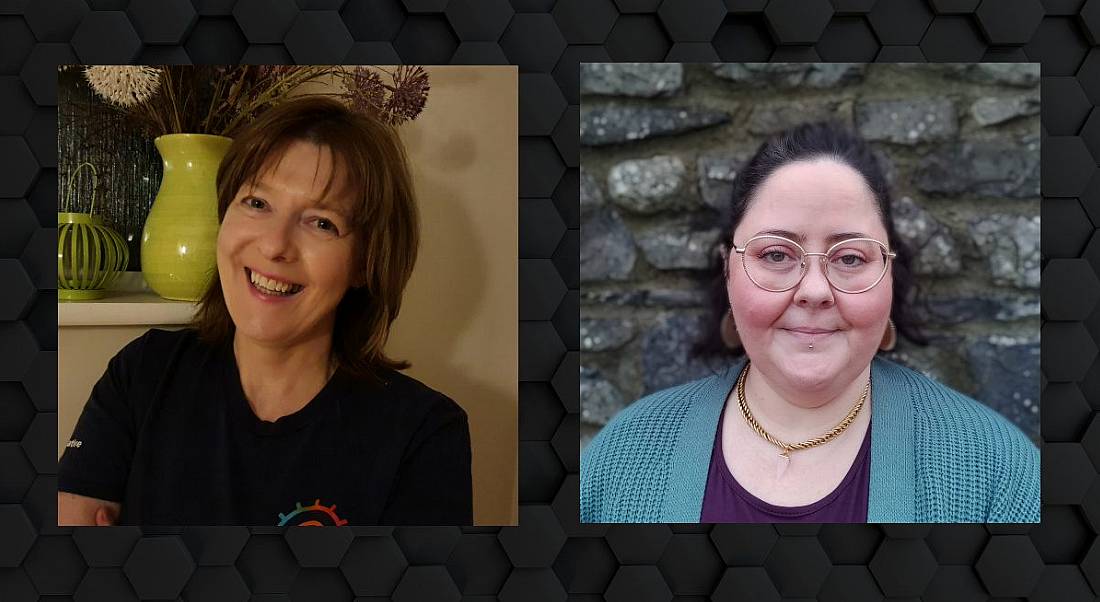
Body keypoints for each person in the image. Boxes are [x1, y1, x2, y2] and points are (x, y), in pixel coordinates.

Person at [580, 121, 1039, 523]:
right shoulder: (624, 458)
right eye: (776, 254)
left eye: (851, 257)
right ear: (728, 268)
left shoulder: (995, 471)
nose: (815, 290)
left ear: (889, 275)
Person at [58, 97, 473, 526]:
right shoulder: (142, 374)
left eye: (322, 222)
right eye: (257, 203)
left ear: (366, 264)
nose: (275, 245)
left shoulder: (424, 434)